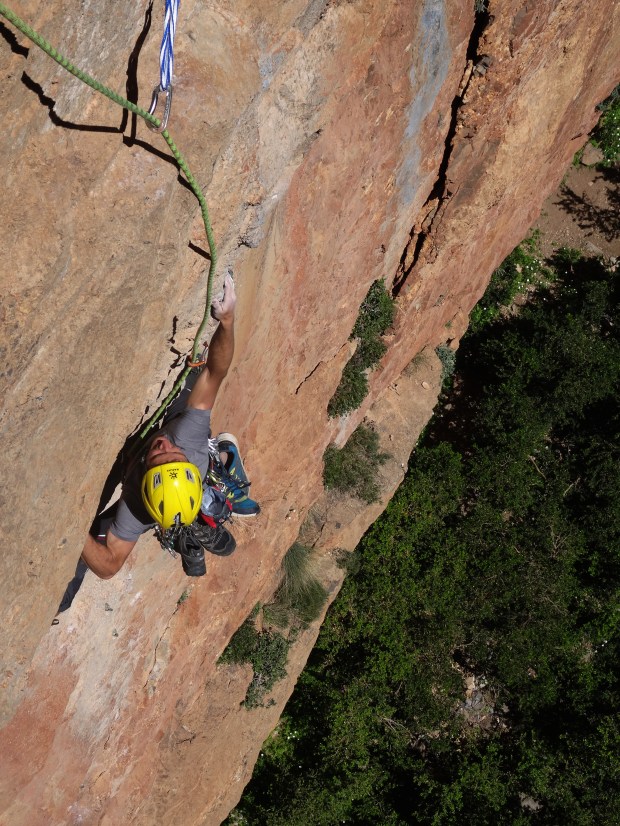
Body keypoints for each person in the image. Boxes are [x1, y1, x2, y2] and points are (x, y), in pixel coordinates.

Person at [80, 272, 259, 580]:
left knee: (94, 537)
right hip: (180, 426)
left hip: (157, 504)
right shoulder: (187, 440)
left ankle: (183, 528)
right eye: (172, 455)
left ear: (144, 483)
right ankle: (218, 481)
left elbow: (109, 566)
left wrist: (71, 530)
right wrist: (227, 322)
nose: (164, 446)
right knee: (195, 375)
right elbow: (216, 372)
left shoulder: (137, 506)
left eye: (157, 457)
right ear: (185, 460)